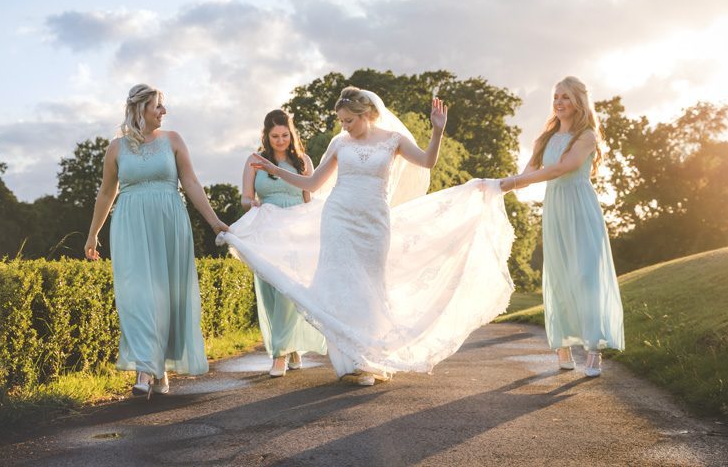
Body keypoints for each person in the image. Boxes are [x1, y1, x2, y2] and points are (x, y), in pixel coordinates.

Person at [221, 87, 515, 386]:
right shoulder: (339, 143)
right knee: (341, 285)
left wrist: (437, 132)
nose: (344, 126)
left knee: (371, 287)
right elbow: (312, 181)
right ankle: (353, 362)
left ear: (366, 115)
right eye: (341, 121)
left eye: (349, 120)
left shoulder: (394, 141)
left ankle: (371, 357)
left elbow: (427, 161)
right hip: (337, 219)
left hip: (374, 221)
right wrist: (273, 169)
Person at [85, 84, 229, 398]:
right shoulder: (116, 148)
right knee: (138, 295)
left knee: (165, 297)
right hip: (130, 224)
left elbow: (190, 182)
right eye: (158, 106)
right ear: (141, 110)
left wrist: (214, 221)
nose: (163, 112)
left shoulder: (173, 140)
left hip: (169, 222)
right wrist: (93, 233)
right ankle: (146, 370)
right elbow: (107, 193)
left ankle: (156, 367)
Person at [499, 76, 624, 377]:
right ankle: (564, 346)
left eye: (566, 96)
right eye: (556, 96)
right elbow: (529, 172)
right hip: (554, 208)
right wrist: (500, 186)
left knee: (586, 276)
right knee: (559, 274)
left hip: (580, 207)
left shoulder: (587, 135)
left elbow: (562, 168)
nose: (559, 101)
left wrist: (515, 181)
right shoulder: (544, 139)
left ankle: (593, 350)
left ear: (579, 101)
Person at [241, 109, 328, 377]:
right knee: (270, 291)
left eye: (285, 135)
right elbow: (245, 196)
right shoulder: (255, 161)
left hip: (296, 232)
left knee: (287, 290)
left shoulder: (303, 161)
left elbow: (308, 199)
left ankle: (279, 355)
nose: (280, 140)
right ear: (266, 136)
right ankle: (289, 348)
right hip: (267, 231)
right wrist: (251, 203)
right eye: (275, 136)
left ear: (292, 134)